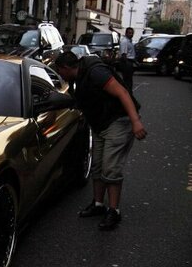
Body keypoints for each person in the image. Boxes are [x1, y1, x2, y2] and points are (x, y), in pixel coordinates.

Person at [54, 52, 147, 230]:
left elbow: (123, 93)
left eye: (59, 71)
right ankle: (98, 204)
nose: (60, 75)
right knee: (97, 165)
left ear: (66, 68)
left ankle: (114, 211)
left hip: (118, 122)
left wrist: (136, 122)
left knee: (111, 168)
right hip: (100, 125)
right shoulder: (78, 77)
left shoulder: (96, 73)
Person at [118, 27, 136, 93]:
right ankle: (127, 93)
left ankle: (129, 92)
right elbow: (124, 55)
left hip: (129, 62)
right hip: (126, 62)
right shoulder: (125, 41)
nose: (131, 34)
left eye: (132, 33)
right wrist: (126, 64)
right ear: (126, 33)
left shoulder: (129, 41)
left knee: (129, 80)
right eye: (129, 33)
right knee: (127, 80)